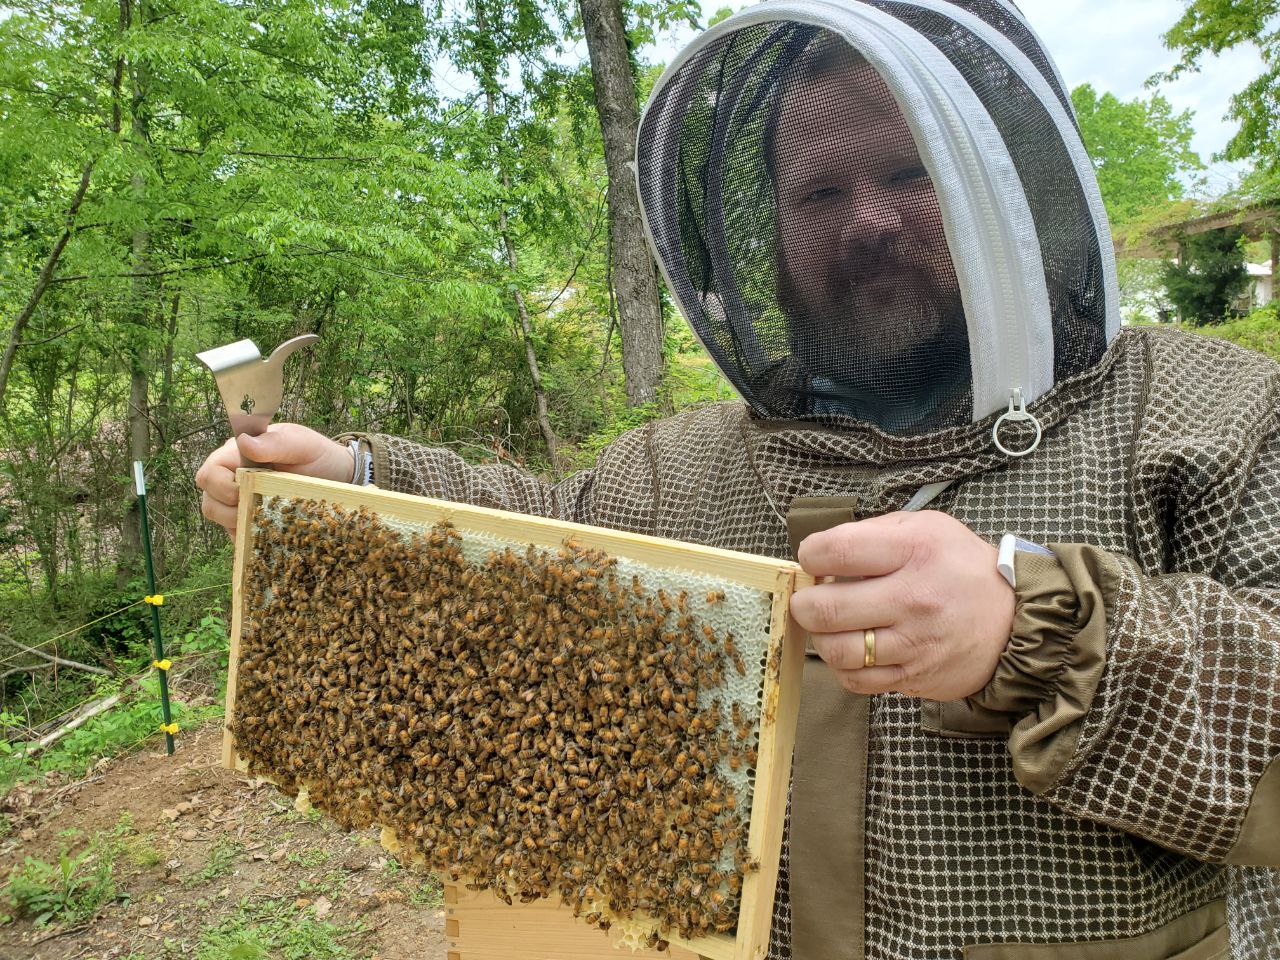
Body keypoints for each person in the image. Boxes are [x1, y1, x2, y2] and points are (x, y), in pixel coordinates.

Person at [197, 2, 1280, 958]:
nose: (865, 220)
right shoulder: (680, 465)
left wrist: (1035, 627)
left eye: (909, 172)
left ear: (996, 183)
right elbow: (539, 541)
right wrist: (356, 484)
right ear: (762, 235)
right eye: (817, 193)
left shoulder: (1214, 417)